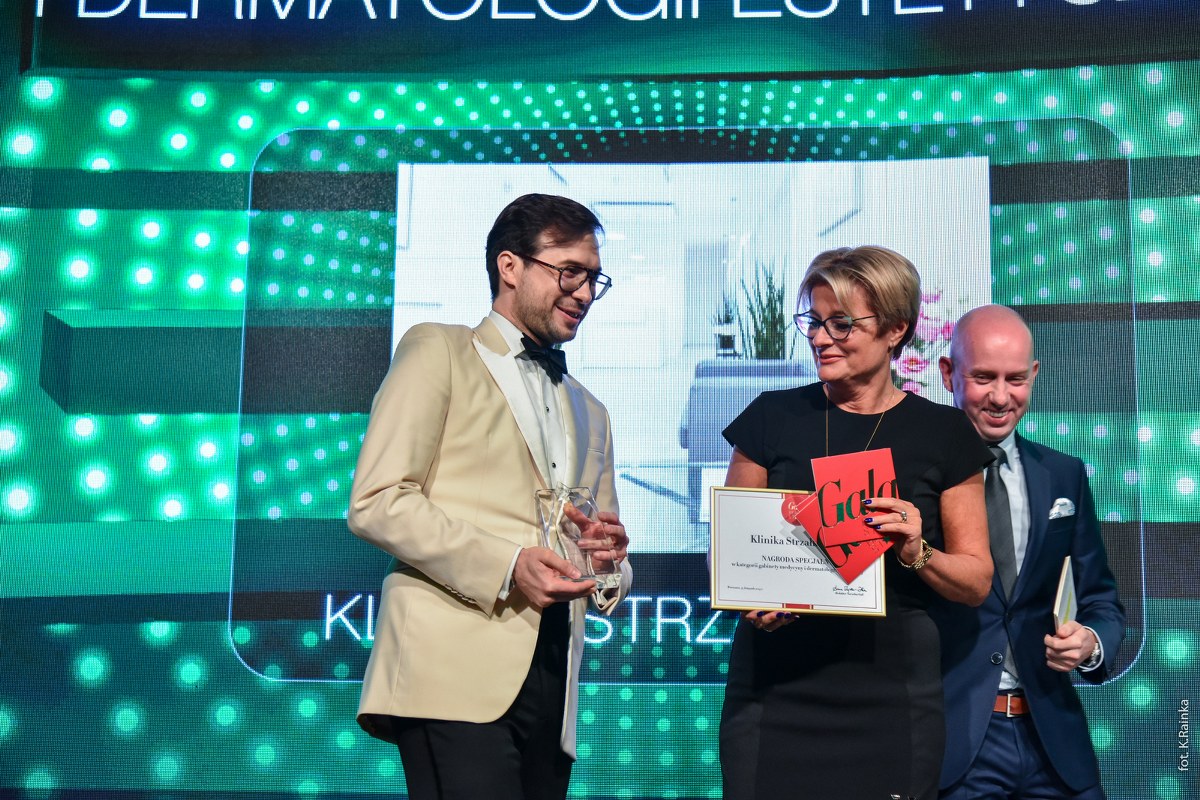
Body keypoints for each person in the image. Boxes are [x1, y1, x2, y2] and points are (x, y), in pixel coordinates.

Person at [347, 193, 633, 800]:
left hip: (553, 678)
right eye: (570, 272)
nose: (585, 293)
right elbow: (378, 500)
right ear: (510, 266)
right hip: (451, 666)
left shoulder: (593, 409)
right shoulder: (438, 349)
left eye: (594, 279)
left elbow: (603, 555)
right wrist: (508, 564)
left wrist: (609, 562)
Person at [719, 245, 994, 800]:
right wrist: (754, 597)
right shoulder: (770, 419)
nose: (821, 338)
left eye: (841, 324)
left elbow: (975, 581)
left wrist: (917, 550)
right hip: (775, 688)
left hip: (892, 696)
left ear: (895, 330)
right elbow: (729, 558)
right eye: (814, 321)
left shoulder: (945, 434)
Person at [934, 304, 1125, 800]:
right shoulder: (914, 479)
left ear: (1034, 375)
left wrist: (1089, 643)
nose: (1000, 397)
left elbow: (1101, 600)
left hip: (1054, 740)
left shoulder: (1063, 474)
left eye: (1015, 379)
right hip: (954, 744)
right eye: (983, 377)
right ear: (948, 373)